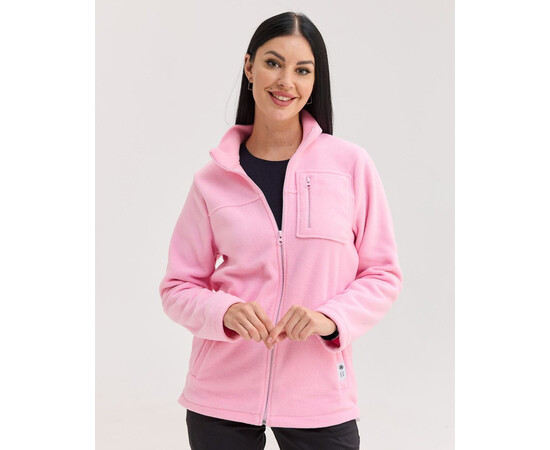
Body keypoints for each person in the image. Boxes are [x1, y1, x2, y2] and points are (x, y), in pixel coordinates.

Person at [159, 11, 403, 450]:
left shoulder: (350, 166)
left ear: (314, 81)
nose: (286, 81)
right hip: (221, 393)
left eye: (302, 70)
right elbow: (177, 287)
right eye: (273, 63)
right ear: (250, 67)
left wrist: (330, 319)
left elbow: (382, 274)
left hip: (319, 393)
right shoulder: (212, 180)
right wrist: (224, 312)